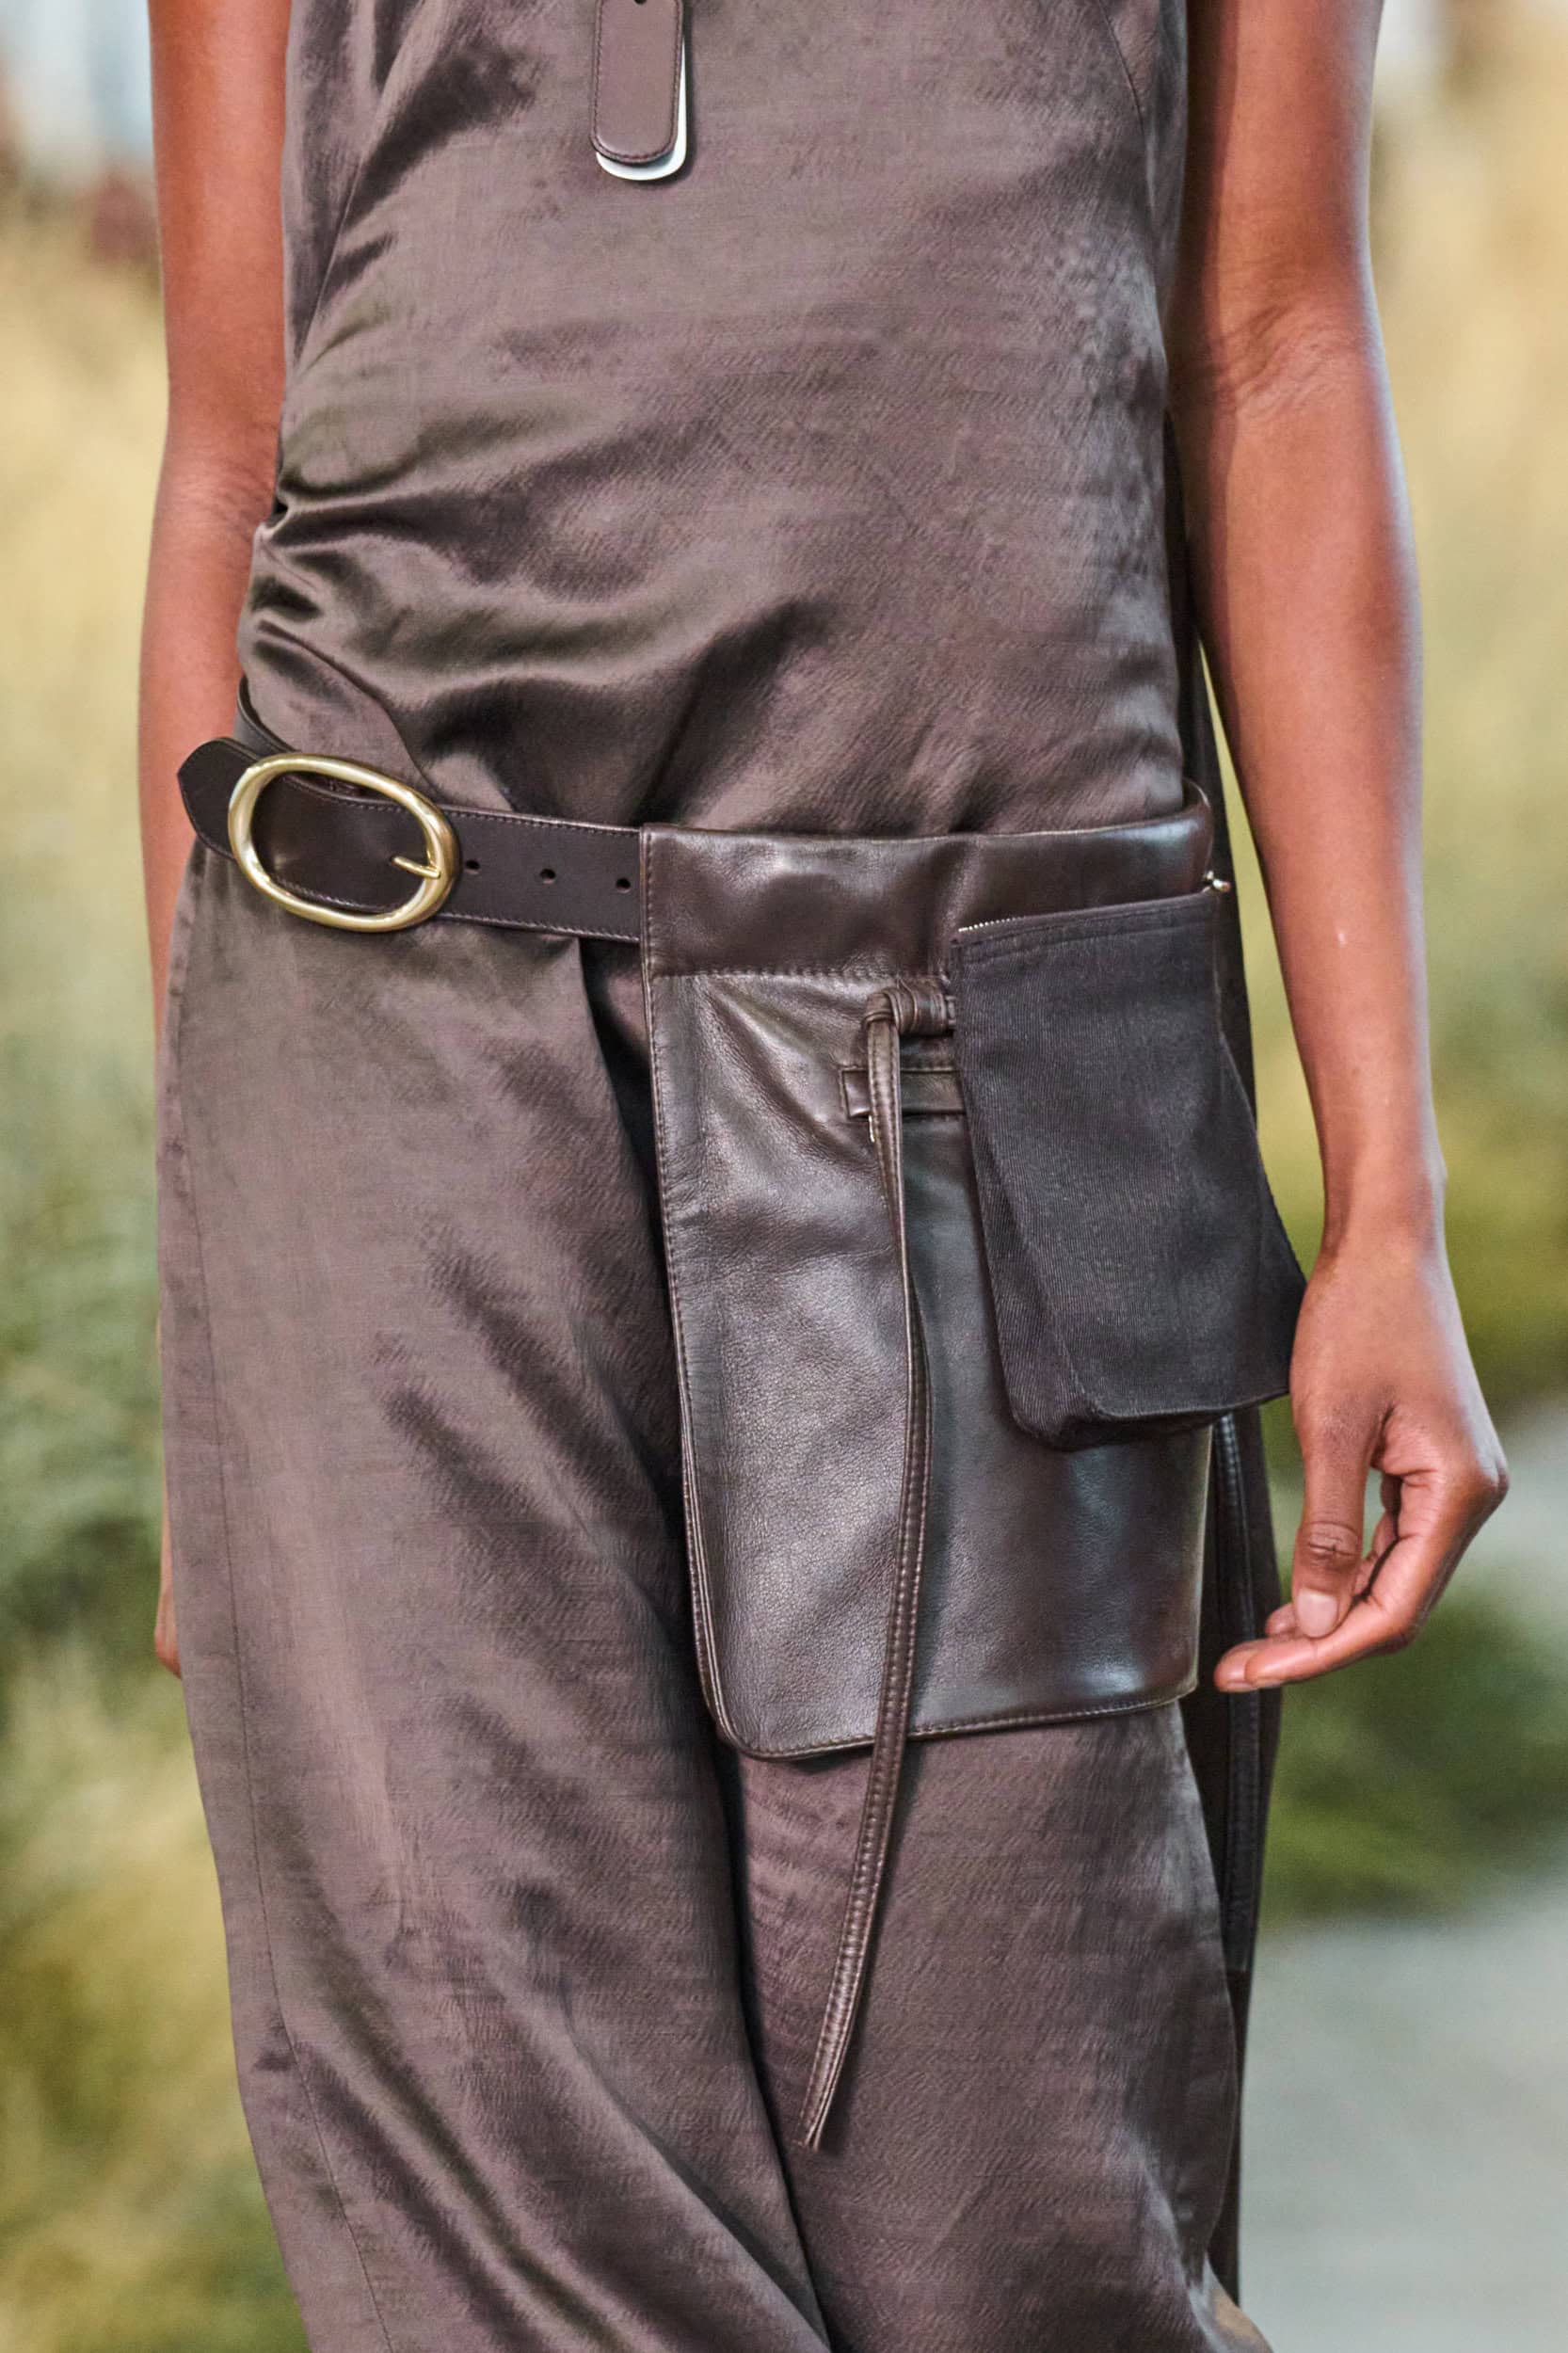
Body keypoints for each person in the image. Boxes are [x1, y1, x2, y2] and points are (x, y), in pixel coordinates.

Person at [140, 2, 1507, 2347]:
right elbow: (230, 457)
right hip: (381, 1051)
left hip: (1008, 1039)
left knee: (1021, 2228)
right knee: (498, 2214)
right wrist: (223, 1330)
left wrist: (1387, 1197)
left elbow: (1270, 353)